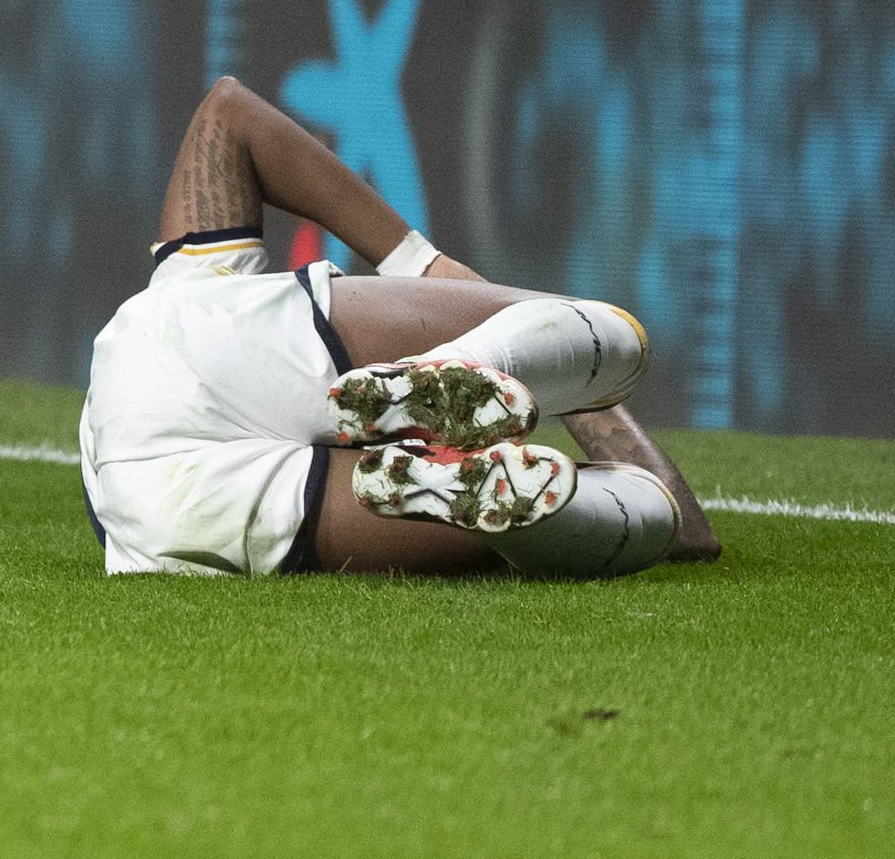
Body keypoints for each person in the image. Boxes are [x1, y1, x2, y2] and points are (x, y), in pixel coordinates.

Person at [80, 73, 713, 579]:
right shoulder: (181, 292)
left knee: (640, 515)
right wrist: (426, 265)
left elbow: (226, 115)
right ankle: (487, 358)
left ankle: (473, 462)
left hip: (159, 510)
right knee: (605, 364)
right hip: (180, 342)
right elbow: (227, 113)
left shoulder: (136, 500)